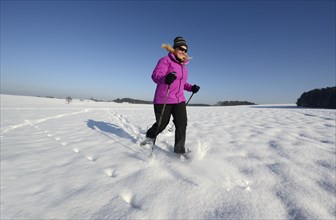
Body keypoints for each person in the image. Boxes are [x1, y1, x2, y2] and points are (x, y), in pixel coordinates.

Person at [143, 36, 200, 156]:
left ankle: (179, 150)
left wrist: (191, 88)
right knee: (162, 123)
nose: (183, 51)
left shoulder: (184, 67)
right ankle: (149, 137)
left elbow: (182, 83)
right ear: (174, 48)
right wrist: (165, 78)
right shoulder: (165, 60)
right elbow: (155, 75)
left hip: (179, 99)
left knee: (182, 123)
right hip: (164, 98)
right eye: (181, 48)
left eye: (185, 50)